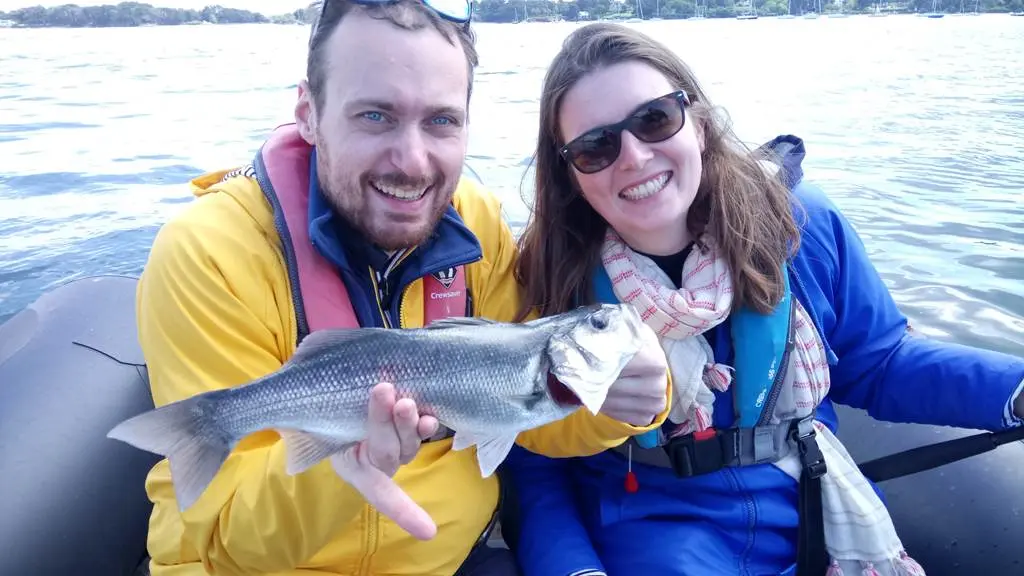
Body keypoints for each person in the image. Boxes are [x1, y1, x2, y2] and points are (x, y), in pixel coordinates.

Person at [133, 4, 674, 576]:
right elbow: (225, 541)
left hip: (447, 560)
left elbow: (523, 410)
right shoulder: (207, 253)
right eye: (375, 116)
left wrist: (618, 406)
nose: (412, 163)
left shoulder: (477, 222)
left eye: (441, 121)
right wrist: (341, 472)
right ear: (309, 114)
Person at [503, 22, 1024, 576]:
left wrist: (1014, 391)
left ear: (699, 123)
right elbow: (534, 455)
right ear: (570, 174)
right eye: (595, 147)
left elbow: (879, 362)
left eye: (655, 119)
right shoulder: (550, 274)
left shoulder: (801, 226)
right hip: (647, 535)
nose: (633, 157)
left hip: (813, 509)